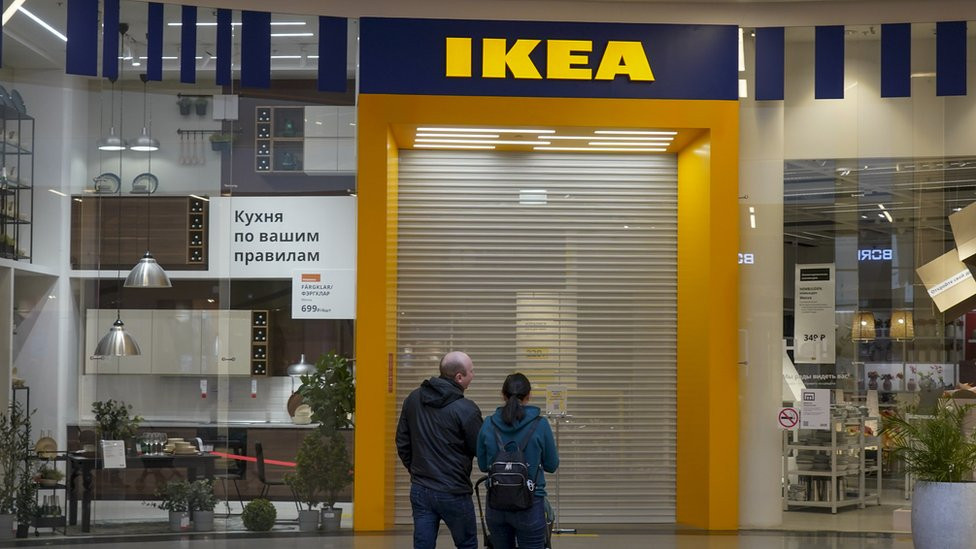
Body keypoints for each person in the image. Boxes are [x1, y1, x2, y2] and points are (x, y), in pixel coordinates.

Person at [396, 351, 484, 549]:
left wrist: (417, 470)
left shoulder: (413, 399)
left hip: (421, 489)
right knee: (467, 544)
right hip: (454, 490)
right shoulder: (466, 409)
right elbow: (480, 448)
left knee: (423, 545)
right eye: (472, 371)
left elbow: (402, 441)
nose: (474, 375)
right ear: (459, 377)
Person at [477, 373, 559, 549]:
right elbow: (552, 465)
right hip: (530, 504)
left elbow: (484, 466)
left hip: (496, 506)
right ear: (529, 395)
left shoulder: (488, 424)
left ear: (503, 395)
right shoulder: (540, 424)